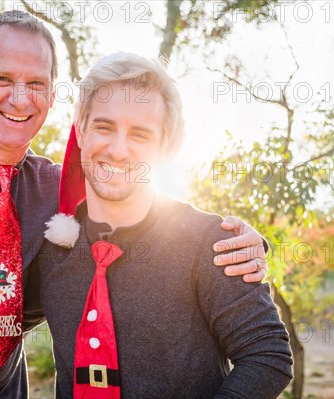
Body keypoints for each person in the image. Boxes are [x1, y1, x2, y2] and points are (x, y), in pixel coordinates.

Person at [0, 11, 269, 398]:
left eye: (35, 84)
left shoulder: (55, 186)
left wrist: (243, 241)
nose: (19, 98)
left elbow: (139, 191)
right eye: (2, 79)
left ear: (52, 96)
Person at [24, 52, 293, 398]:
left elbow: (267, 355)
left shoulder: (212, 244)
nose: (119, 150)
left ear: (166, 146)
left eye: (140, 135)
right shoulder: (51, 245)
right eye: (104, 127)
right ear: (81, 131)